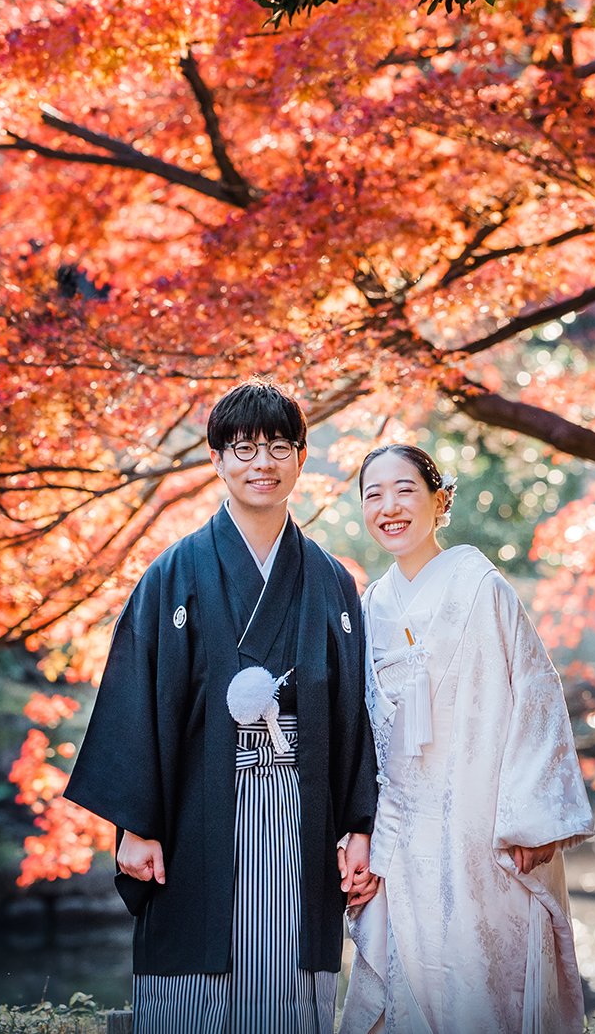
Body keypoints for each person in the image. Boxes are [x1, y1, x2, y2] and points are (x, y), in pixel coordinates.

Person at [65, 379, 379, 1034]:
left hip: (302, 807)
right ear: (215, 458)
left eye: (277, 447)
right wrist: (136, 824)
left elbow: (356, 711)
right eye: (243, 448)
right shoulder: (172, 573)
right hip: (194, 807)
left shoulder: (329, 579)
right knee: (193, 987)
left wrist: (360, 824)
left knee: (287, 976)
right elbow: (134, 695)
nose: (260, 463)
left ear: (300, 456)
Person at [341, 444, 595, 1034]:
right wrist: (359, 835)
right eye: (373, 495)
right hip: (402, 831)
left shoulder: (482, 587)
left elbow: (535, 692)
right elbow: (357, 734)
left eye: (405, 489)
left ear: (439, 499)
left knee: (483, 976)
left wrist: (532, 818)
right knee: (407, 981)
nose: (389, 507)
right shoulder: (368, 607)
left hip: (481, 820)